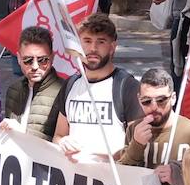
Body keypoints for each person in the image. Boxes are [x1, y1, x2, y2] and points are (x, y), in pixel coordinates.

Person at [53, 13, 143, 163]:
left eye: (101, 42)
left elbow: (138, 144)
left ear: (112, 47)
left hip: (114, 180)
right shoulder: (70, 85)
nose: (93, 48)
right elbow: (58, 135)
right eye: (87, 41)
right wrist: (62, 143)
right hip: (73, 180)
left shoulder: (127, 87)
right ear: (78, 44)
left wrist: (102, 158)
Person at [1, 27, 66, 140]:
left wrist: (22, 132)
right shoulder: (13, 89)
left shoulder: (64, 91)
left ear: (52, 58)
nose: (35, 66)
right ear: (19, 59)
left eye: (42, 60)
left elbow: (62, 141)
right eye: (28, 60)